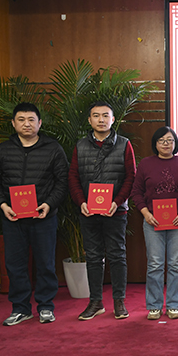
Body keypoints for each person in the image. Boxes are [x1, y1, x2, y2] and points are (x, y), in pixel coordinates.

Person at [0, 102, 68, 326]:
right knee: (15, 264)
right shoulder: (2, 150)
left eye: (31, 120)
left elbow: (62, 181)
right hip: (12, 217)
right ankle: (20, 308)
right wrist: (2, 205)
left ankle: (45, 306)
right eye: (21, 120)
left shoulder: (53, 149)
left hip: (43, 217)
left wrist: (48, 204)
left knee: (45, 263)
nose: (26, 124)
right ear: (13, 123)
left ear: (40, 123)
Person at [68, 102, 137, 321]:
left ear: (113, 119)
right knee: (93, 257)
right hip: (88, 211)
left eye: (105, 115)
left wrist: (117, 201)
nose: (101, 120)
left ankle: (119, 301)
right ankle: (95, 302)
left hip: (115, 212)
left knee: (117, 255)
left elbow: (131, 177)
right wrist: (81, 202)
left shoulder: (124, 144)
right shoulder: (80, 145)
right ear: (89, 120)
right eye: (96, 116)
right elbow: (73, 177)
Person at [130, 126, 178, 321]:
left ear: (175, 143)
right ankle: (154, 306)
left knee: (176, 264)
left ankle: (174, 305)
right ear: (155, 144)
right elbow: (136, 192)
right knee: (155, 264)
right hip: (153, 222)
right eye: (161, 141)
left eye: (170, 140)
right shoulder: (146, 164)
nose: (166, 144)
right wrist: (145, 213)